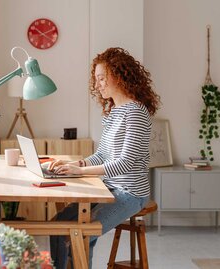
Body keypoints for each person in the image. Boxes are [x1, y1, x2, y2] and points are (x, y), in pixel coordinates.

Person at [49, 47, 161, 269]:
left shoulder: (136, 112)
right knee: (58, 225)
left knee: (80, 234)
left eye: (102, 78)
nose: (97, 84)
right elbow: (102, 155)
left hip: (129, 193)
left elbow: (125, 163)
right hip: (108, 188)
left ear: (119, 77)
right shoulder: (114, 111)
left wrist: (80, 172)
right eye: (96, 79)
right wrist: (76, 164)